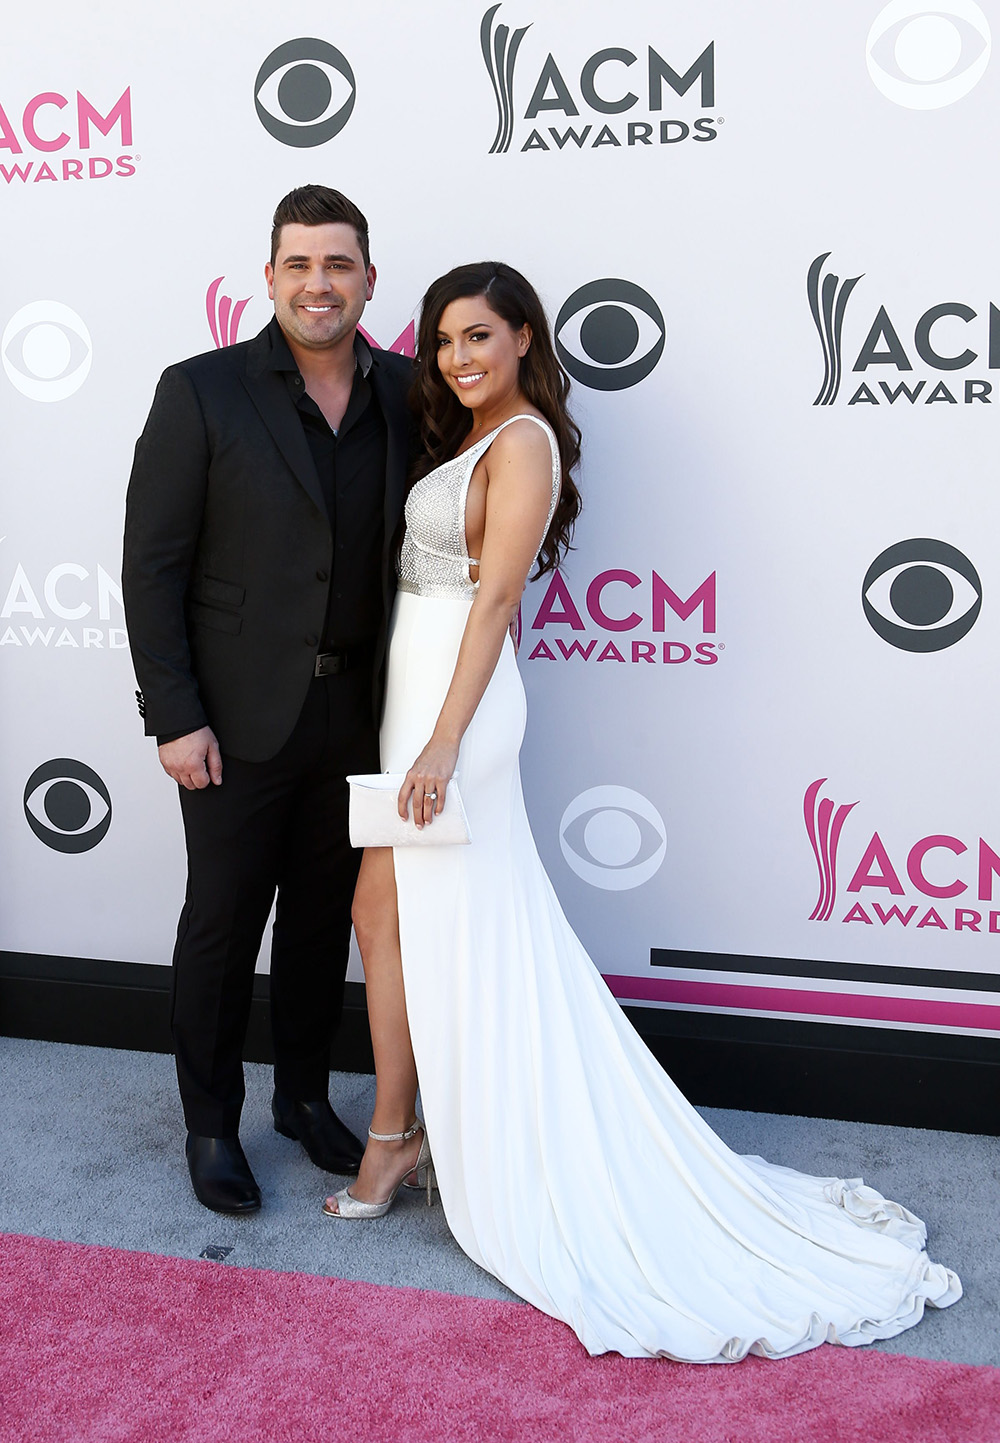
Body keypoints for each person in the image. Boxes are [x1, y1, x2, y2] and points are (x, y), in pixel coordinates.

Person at [321, 260, 962, 1362]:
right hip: (418, 699)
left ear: (525, 337)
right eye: (443, 344)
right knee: (381, 915)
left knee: (445, 920)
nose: (460, 360)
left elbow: (497, 604)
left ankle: (396, 1140)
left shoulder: (524, 445)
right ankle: (404, 1131)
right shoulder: (479, 437)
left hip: (455, 714)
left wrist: (440, 738)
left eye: (479, 336)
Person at [122, 186, 413, 1214]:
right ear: (271, 276)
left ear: (368, 279)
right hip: (233, 721)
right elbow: (152, 568)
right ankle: (212, 1126)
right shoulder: (200, 391)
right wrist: (174, 714)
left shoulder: (409, 395)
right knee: (222, 920)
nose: (318, 284)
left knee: (320, 923)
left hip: (358, 714)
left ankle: (301, 1099)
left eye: (338, 265)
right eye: (299, 264)